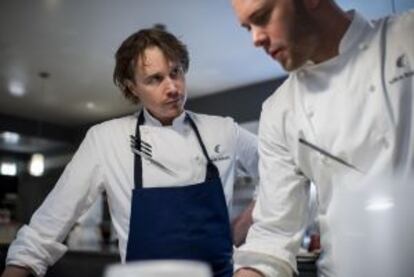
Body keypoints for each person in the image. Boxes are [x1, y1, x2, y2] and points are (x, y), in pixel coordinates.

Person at [2, 27, 259, 277]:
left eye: (176, 72)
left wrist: (243, 226)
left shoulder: (223, 130)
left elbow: (284, 170)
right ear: (132, 87)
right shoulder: (105, 139)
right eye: (155, 79)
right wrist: (18, 267)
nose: (173, 87)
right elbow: (51, 222)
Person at [230, 0, 414, 276]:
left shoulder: (406, 37)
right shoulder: (279, 110)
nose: (255, 38)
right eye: (248, 28)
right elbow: (274, 234)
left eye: (263, 16)